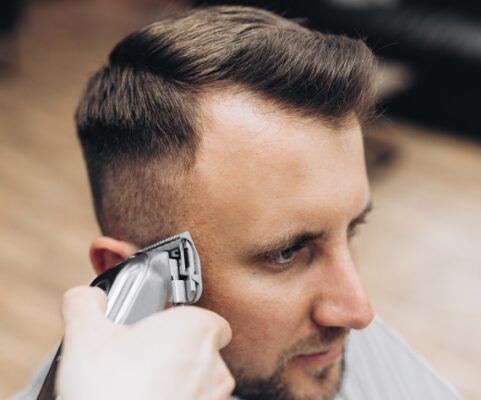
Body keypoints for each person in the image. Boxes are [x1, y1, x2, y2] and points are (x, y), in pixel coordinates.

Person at [14, 5, 461, 400]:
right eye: (287, 252)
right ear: (133, 276)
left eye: (352, 228)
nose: (359, 312)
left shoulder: (342, 353)